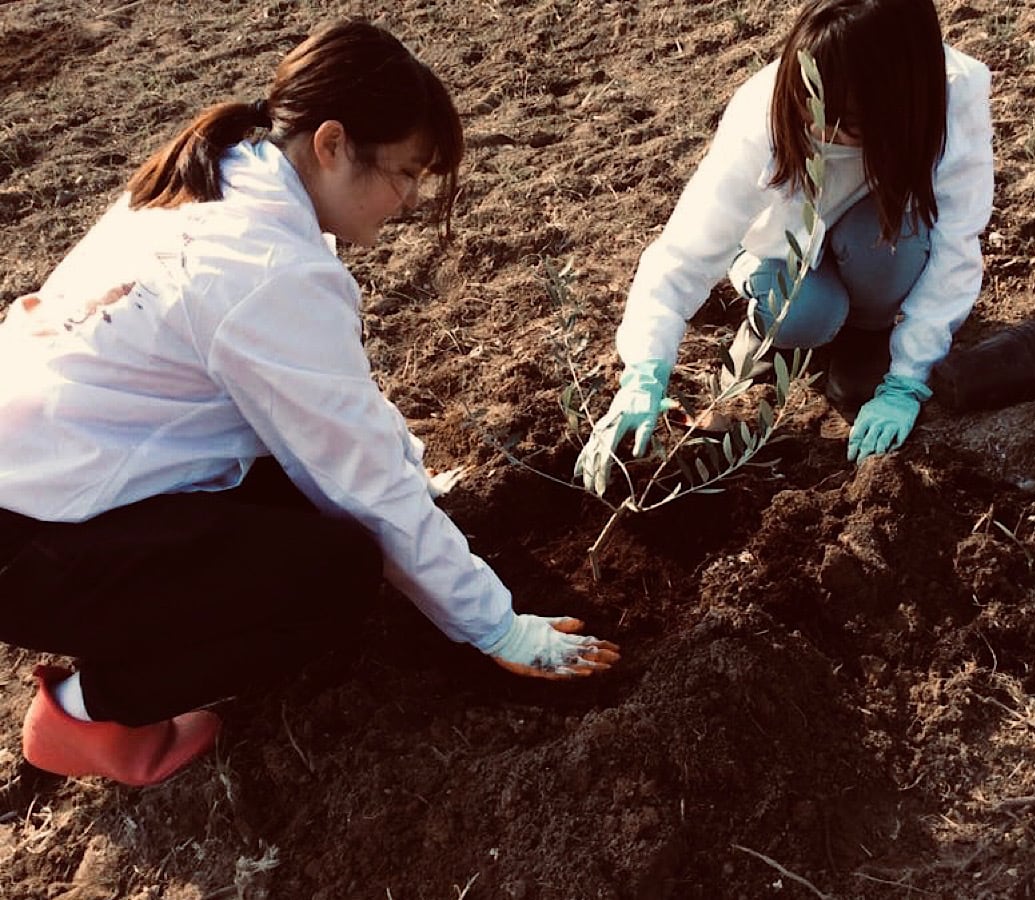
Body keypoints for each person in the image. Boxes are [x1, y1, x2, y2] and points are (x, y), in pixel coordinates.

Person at [0, 21, 619, 788]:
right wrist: (497, 626)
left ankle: (128, 630)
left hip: (54, 482)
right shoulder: (265, 266)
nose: (411, 200)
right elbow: (360, 480)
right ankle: (85, 712)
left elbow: (328, 408)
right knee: (333, 575)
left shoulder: (223, 175)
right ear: (332, 144)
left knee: (307, 510)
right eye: (405, 173)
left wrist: (411, 475)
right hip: (29, 543)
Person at [575, 0, 994, 495]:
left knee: (890, 251)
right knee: (807, 311)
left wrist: (908, 375)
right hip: (779, 251)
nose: (818, 130)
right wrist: (644, 372)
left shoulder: (950, 96)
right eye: (809, 109)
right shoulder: (763, 114)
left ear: (899, 104)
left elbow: (954, 247)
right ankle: (772, 329)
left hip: (869, 237)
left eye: (844, 122)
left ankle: (865, 337)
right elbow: (683, 254)